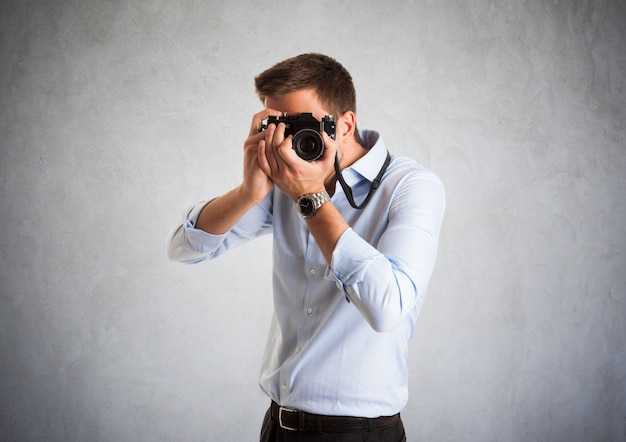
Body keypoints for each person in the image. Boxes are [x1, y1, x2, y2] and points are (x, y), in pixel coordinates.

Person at [167, 53, 446, 441]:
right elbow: (185, 248)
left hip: (359, 433)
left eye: (301, 125)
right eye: (277, 126)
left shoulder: (410, 186)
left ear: (345, 124)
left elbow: (388, 308)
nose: (289, 141)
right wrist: (248, 192)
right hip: (277, 425)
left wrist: (311, 196)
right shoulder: (283, 180)